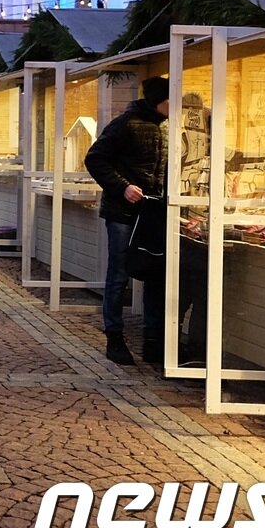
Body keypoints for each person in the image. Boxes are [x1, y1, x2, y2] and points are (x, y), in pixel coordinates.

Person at [84, 76, 170, 366]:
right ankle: (115, 337)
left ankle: (153, 341)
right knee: (119, 272)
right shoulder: (126, 124)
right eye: (169, 101)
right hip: (122, 212)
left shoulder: (168, 126)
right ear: (157, 101)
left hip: (155, 213)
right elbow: (95, 158)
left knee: (157, 271)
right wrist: (122, 186)